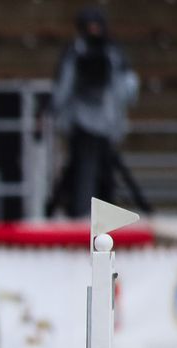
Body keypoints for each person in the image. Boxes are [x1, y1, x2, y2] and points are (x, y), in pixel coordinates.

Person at [51, 7, 139, 218]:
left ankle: (105, 214)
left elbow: (126, 86)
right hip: (81, 123)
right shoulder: (75, 52)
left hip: (106, 122)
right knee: (82, 172)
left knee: (106, 172)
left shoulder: (112, 53)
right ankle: (81, 213)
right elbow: (63, 86)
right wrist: (57, 113)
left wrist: (118, 118)